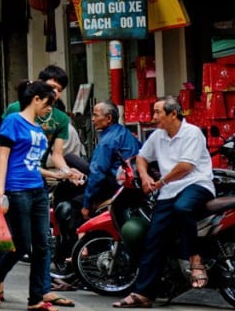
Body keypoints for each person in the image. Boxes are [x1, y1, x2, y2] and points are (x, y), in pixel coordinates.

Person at [0, 80, 83, 311]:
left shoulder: (37, 128)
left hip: (38, 190)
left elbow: (33, 164)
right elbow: (3, 155)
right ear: (36, 99)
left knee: (43, 245)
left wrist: (62, 173)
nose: (49, 109)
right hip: (17, 190)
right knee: (22, 243)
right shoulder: (13, 121)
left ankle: (35, 300)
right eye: (48, 103)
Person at [113, 96, 215, 308]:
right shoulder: (158, 135)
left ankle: (195, 260)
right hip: (168, 191)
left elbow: (186, 166)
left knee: (183, 208)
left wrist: (159, 182)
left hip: (196, 184)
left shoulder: (192, 133)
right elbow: (141, 157)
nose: (153, 117)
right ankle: (143, 293)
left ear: (173, 114)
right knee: (154, 238)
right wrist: (144, 176)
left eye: (158, 112)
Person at [81, 101, 141, 221]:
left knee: (74, 205)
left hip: (115, 187)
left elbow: (97, 172)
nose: (93, 119)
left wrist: (86, 204)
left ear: (108, 118)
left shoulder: (107, 141)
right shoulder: (125, 133)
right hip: (132, 186)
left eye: (96, 115)